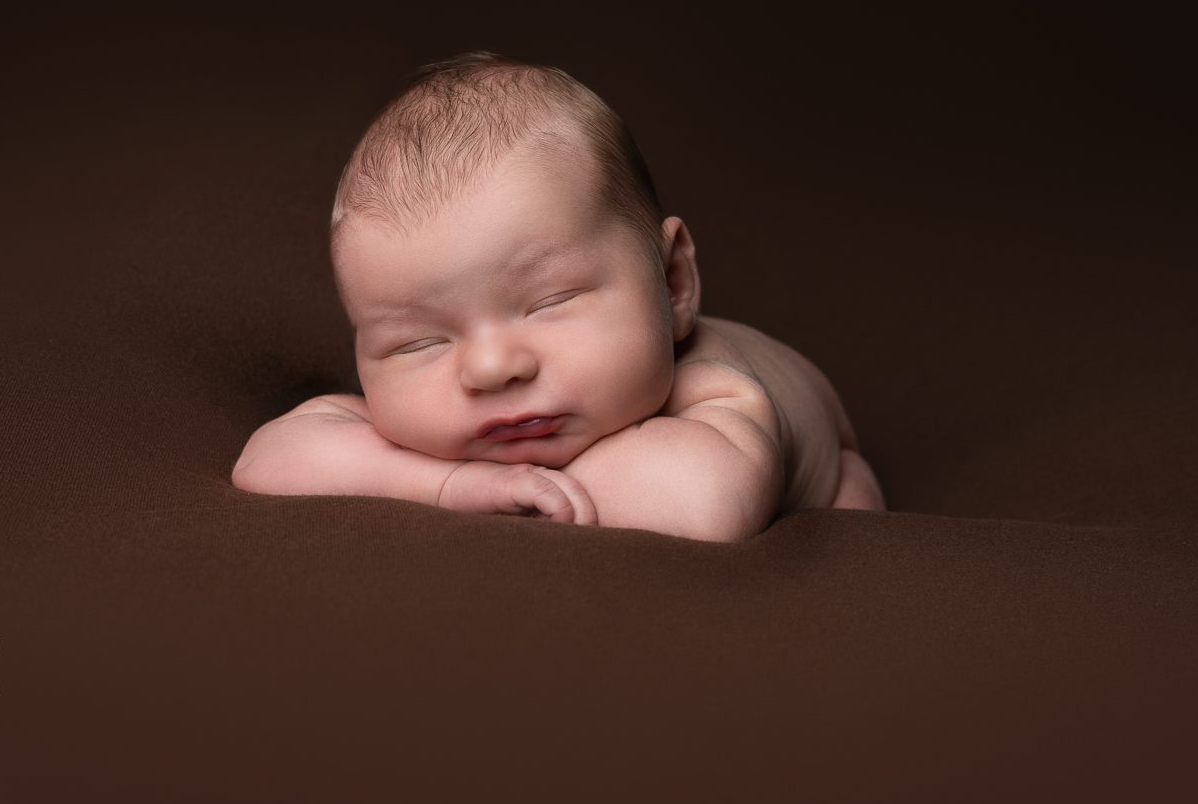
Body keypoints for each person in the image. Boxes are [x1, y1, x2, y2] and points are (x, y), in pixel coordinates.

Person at [232, 52, 884, 541]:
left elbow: (696, 504)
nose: (490, 368)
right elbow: (269, 460)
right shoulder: (442, 420)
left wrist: (512, 495)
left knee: (851, 543)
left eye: (547, 302)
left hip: (834, 474)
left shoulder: (716, 390)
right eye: (417, 343)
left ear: (672, 283)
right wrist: (453, 485)